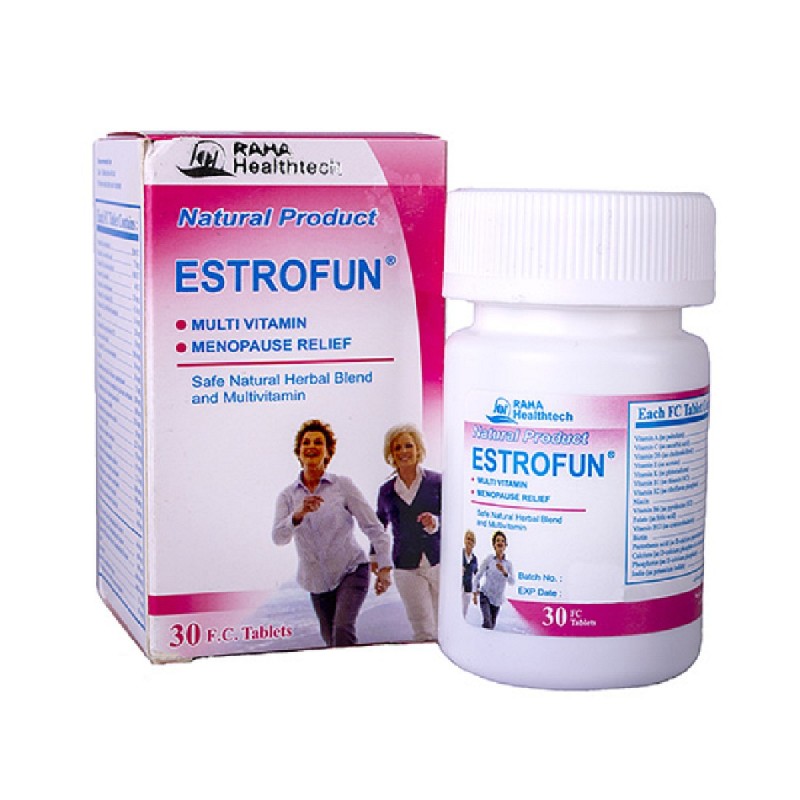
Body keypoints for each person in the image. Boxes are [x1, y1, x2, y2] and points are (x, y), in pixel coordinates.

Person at [272, 419, 393, 647]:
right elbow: (279, 538)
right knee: (331, 641)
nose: (312, 446)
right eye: (306, 442)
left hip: (351, 570)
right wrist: (298, 514)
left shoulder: (342, 486)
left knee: (342, 629)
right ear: (299, 452)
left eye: (318, 442)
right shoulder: (288, 496)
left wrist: (384, 568)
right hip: (316, 583)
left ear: (328, 452)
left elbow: (374, 527)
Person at [376, 424, 441, 641]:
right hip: (406, 566)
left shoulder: (437, 482)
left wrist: (435, 522)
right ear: (391, 454)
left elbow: (454, 516)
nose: (403, 451)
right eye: (397, 448)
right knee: (422, 628)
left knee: (445, 623)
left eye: (408, 446)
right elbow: (378, 526)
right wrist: (379, 563)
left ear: (418, 449)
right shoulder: (386, 491)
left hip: (439, 561)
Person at [473, 531, 514, 630]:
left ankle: (483, 638)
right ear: (494, 545)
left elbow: (512, 582)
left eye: (502, 541)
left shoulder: (508, 564)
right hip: (485, 595)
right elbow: (478, 575)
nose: (500, 543)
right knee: (488, 623)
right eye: (498, 541)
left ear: (505, 545)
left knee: (491, 627)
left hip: (497, 600)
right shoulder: (489, 559)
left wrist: (504, 572)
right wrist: (474, 592)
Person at [462, 530, 478, 617]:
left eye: (472, 540)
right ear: (464, 540)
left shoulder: (474, 559)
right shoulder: (459, 554)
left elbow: (476, 575)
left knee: (464, 612)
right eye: (468, 539)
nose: (469, 541)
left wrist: (475, 594)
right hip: (457, 587)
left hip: (467, 588)